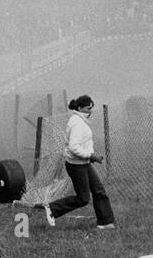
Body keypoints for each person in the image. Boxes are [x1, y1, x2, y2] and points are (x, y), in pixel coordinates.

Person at [39, 95, 113, 229]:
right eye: (87, 108)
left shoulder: (80, 120)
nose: (90, 111)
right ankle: (52, 209)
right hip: (76, 165)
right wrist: (91, 156)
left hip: (84, 163)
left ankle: (106, 223)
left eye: (91, 108)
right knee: (83, 199)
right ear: (79, 108)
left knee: (99, 190)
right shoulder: (76, 123)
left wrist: (89, 157)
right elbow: (74, 147)